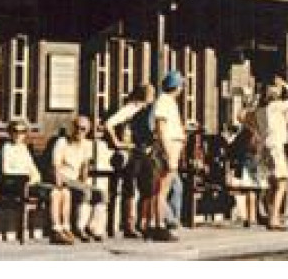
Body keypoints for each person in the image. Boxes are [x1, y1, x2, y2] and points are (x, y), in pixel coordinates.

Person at [0, 119, 71, 245]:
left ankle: (65, 227)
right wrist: (26, 177)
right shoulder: (6, 148)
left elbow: (33, 169)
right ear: (10, 133)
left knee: (65, 191)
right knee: (54, 193)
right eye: (16, 131)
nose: (19, 135)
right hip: (16, 185)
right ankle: (55, 230)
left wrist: (34, 177)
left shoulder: (24, 148)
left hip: (31, 183)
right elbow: (6, 170)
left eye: (22, 132)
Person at [104, 83, 155, 237]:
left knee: (147, 187)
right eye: (150, 93)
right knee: (130, 187)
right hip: (132, 152)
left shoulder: (149, 111)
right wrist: (117, 143)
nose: (153, 96)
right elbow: (109, 124)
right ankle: (129, 224)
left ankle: (143, 222)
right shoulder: (131, 108)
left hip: (145, 151)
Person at [47, 117, 105, 242]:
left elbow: (84, 167)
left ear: (87, 131)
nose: (79, 131)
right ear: (72, 128)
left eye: (83, 129)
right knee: (85, 192)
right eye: (77, 127)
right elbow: (55, 165)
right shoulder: (62, 142)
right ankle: (80, 228)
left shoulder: (86, 145)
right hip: (62, 178)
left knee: (100, 193)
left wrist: (84, 181)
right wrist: (58, 183)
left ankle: (93, 227)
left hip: (75, 180)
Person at [145, 72, 186, 242]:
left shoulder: (168, 102)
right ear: (176, 87)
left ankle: (157, 224)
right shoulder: (164, 102)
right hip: (167, 148)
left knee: (163, 188)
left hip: (171, 147)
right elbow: (161, 128)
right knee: (162, 189)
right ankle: (159, 225)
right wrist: (168, 153)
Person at [256, 75, 288, 232]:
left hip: (265, 148)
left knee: (271, 184)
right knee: (282, 183)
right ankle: (274, 218)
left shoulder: (260, 110)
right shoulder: (274, 106)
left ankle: (270, 215)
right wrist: (286, 85)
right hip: (275, 148)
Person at [224, 105, 263, 228]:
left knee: (249, 190)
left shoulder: (246, 132)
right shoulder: (257, 130)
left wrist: (228, 141)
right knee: (253, 191)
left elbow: (234, 148)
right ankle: (253, 217)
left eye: (240, 117)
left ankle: (250, 218)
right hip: (256, 162)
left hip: (247, 162)